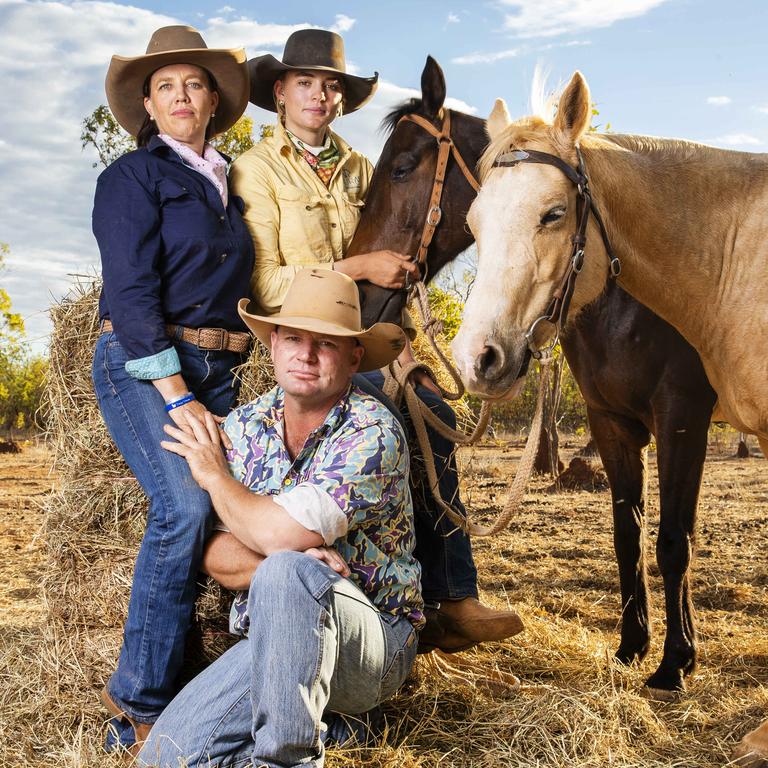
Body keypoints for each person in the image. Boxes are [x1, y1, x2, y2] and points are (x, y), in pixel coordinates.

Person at [229, 28, 523, 652]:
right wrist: (357, 271)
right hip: (293, 339)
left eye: (330, 85)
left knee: (429, 407)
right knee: (382, 421)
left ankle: (450, 595)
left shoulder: (364, 170)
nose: (319, 95)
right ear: (279, 92)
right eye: (305, 82)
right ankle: (396, 595)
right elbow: (266, 282)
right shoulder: (255, 169)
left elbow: (394, 264)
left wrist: (406, 356)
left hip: (355, 341)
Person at [137, 268, 423, 768]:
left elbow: (277, 534)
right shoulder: (245, 427)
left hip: (374, 641)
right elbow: (213, 553)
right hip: (274, 639)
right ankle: (331, 730)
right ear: (272, 345)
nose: (305, 355)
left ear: (355, 357)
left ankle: (290, 758)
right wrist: (285, 559)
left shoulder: (373, 433)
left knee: (289, 570)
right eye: (292, 338)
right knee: (164, 757)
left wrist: (214, 479)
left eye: (326, 344)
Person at [91, 25, 254, 753]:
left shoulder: (233, 183)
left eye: (193, 83)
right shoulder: (132, 179)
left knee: (243, 509)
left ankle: (220, 674)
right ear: (148, 109)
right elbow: (129, 297)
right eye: (166, 87)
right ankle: (140, 705)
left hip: (224, 368)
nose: (181, 96)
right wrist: (181, 396)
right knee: (185, 505)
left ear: (213, 100)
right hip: (143, 361)